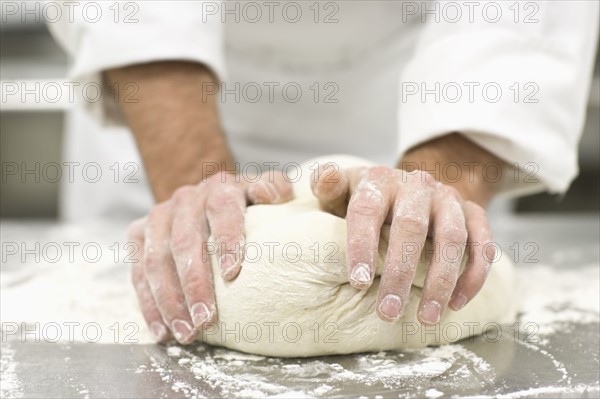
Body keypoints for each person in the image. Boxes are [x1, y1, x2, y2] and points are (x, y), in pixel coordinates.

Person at [48, 1, 598, 344]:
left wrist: (433, 188)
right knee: (189, 273)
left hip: (416, 95)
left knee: (416, 248)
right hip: (167, 111)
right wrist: (195, 181)